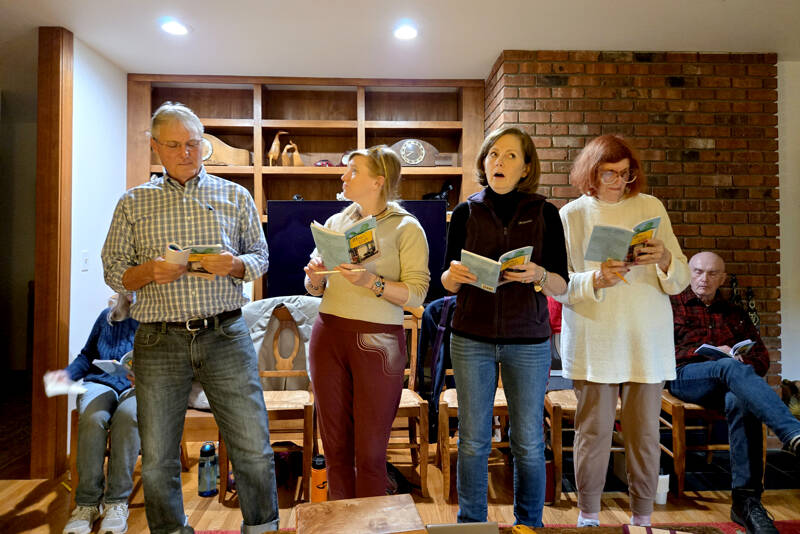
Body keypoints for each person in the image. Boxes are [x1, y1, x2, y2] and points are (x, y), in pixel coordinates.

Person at [101, 102, 278, 534]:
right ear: (157, 147)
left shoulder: (234, 195)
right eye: (176, 145)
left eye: (195, 144)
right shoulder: (132, 203)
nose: (186, 153)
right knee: (159, 454)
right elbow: (113, 268)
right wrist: (148, 272)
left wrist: (234, 265)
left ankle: (262, 528)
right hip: (158, 340)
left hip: (225, 332)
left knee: (253, 445)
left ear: (205, 146)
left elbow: (261, 256)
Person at [556, 134, 690, 527]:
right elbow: (560, 284)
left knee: (645, 433)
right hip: (595, 335)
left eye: (626, 175)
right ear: (591, 173)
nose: (619, 182)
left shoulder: (650, 206)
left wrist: (665, 258)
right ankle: (589, 515)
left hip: (644, 335)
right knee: (592, 432)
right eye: (610, 174)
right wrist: (595, 279)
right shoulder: (572, 215)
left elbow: (679, 277)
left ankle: (643, 516)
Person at [440, 126, 568, 526]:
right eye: (494, 153)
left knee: (527, 440)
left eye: (511, 155)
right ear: (484, 161)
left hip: (528, 339)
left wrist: (538, 274)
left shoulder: (545, 212)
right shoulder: (465, 211)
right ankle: (472, 523)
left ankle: (529, 522)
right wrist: (455, 276)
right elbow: (444, 280)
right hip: (471, 336)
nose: (499, 161)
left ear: (526, 166)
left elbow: (563, 284)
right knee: (474, 440)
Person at [303, 145, 430, 499]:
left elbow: (418, 294)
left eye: (353, 171)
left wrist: (370, 282)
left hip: (378, 343)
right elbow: (315, 288)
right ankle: (344, 522)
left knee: (371, 454)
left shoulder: (406, 227)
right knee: (335, 450)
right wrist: (315, 277)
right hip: (327, 336)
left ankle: (371, 523)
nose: (344, 176)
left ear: (378, 181)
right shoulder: (336, 223)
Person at [669, 251, 800, 534]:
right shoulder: (670, 305)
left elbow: (762, 358)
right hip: (685, 378)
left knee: (740, 398)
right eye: (698, 271)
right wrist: (715, 358)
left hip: (729, 383)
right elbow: (659, 353)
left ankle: (746, 502)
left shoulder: (735, 313)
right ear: (687, 272)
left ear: (723, 278)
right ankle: (792, 432)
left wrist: (739, 361)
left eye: (712, 273)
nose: (704, 279)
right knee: (728, 367)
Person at [48, 294, 138, 534]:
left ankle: (117, 502)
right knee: (93, 418)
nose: (131, 294)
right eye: (126, 288)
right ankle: (87, 504)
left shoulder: (159, 320)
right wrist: (66, 376)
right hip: (101, 382)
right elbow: (87, 355)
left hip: (139, 386)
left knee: (128, 418)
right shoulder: (106, 318)